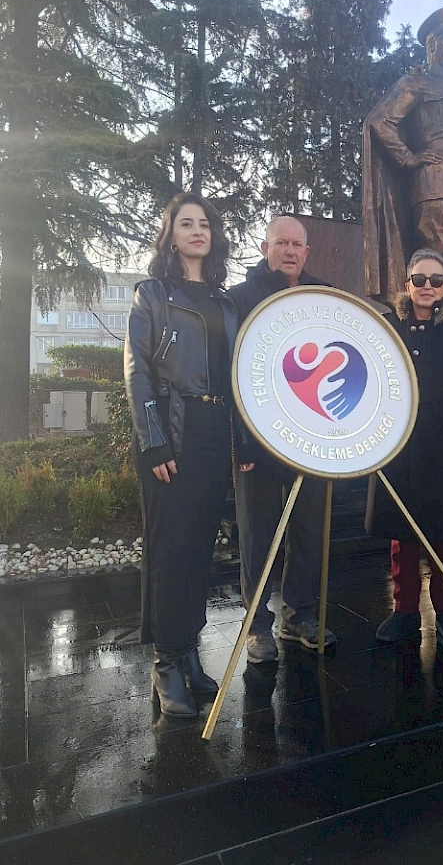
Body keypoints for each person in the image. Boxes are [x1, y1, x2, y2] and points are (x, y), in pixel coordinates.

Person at [125, 193, 237, 717]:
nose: (197, 231)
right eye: (186, 224)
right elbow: (138, 371)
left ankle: (188, 650)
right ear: (170, 235)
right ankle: (166, 661)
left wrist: (242, 442)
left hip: (215, 430)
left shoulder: (224, 301)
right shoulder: (152, 294)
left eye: (205, 224)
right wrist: (154, 441)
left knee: (198, 548)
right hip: (172, 429)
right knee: (169, 548)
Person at [227, 216, 337, 663]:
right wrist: (242, 442)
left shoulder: (323, 296)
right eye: (281, 243)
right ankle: (256, 625)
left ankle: (299, 614)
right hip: (259, 441)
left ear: (306, 252)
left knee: (309, 531)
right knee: (258, 536)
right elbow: (231, 374)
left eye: (297, 244)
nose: (290, 251)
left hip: (312, 438)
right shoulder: (238, 299)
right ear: (265, 247)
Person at [372, 248, 443, 647]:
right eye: (419, 279)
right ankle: (404, 610)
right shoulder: (387, 326)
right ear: (408, 285)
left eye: (435, 280)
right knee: (402, 532)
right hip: (399, 443)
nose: (427, 287)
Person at [363, 7, 443, 304]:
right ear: (431, 44)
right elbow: (379, 122)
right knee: (434, 255)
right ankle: (433, 319)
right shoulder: (414, 84)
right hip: (433, 178)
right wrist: (407, 157)